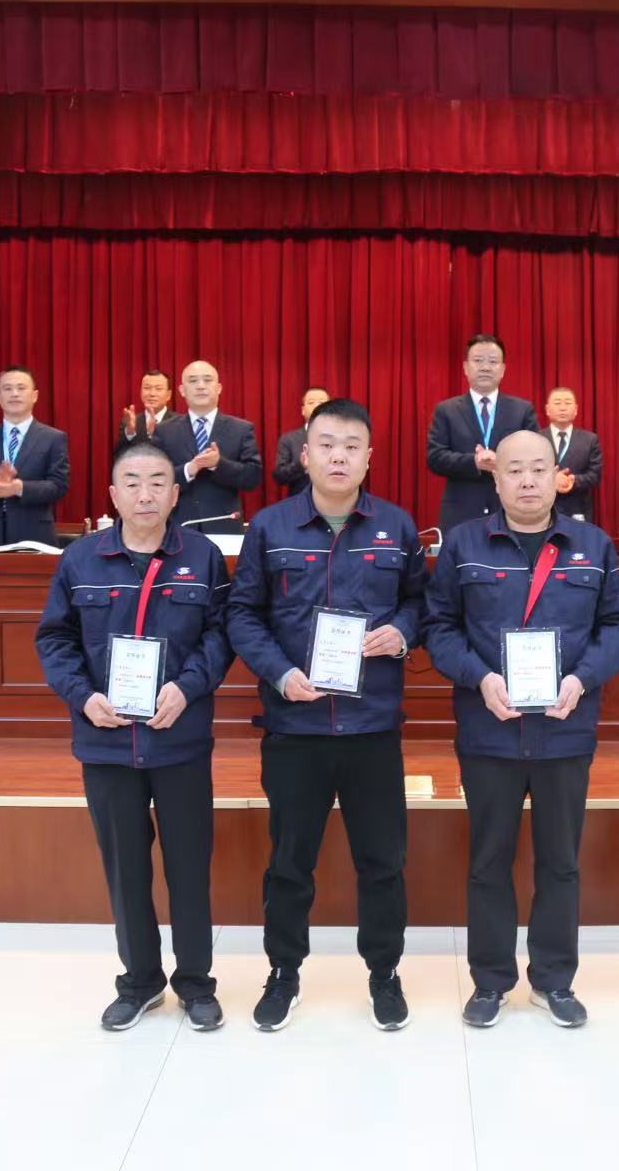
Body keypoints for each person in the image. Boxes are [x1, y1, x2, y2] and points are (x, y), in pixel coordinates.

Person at [227, 398, 427, 1032]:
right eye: (327, 444)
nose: (339, 456)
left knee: (383, 862)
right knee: (290, 863)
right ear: (305, 454)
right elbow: (242, 614)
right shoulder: (270, 527)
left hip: (372, 728)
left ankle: (384, 973)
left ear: (369, 458)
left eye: (351, 446)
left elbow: (422, 602)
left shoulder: (395, 526)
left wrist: (402, 631)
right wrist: (279, 673)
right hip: (296, 727)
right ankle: (283, 972)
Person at [424, 430, 619, 1030]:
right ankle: (490, 981)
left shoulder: (592, 545)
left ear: (558, 476)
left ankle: (554, 979)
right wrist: (480, 677)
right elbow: (439, 627)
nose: (527, 481)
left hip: (566, 729)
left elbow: (617, 626)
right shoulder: (464, 544)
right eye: (514, 470)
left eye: (539, 469)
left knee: (561, 861)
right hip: (489, 728)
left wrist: (584, 679)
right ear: (495, 479)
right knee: (488, 860)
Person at [35, 438, 235, 1033]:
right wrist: (83, 697)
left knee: (188, 867)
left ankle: (195, 982)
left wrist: (187, 688)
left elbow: (222, 635)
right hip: (106, 740)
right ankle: (140, 981)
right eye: (132, 482)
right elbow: (55, 640)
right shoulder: (80, 559)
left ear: (175, 494)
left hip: (179, 738)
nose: (145, 494)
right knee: (125, 870)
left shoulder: (203, 557)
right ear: (113, 494)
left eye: (157, 483)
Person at [425, 333, 538, 533]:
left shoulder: (522, 410)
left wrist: (501, 461)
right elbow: (435, 458)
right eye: (478, 360)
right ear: (465, 367)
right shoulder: (446, 410)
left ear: (503, 369)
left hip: (511, 512)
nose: (485, 367)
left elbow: (535, 456)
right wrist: (474, 462)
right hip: (461, 514)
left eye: (493, 361)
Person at [0, 365, 72, 546]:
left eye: (21, 388)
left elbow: (59, 485)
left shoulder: (53, 438)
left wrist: (19, 488)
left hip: (35, 537)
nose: (14, 394)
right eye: (7, 388)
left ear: (34, 396)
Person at [152, 360, 264, 529]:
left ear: (218, 388)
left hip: (224, 525)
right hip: (178, 526)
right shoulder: (164, 431)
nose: (201, 386)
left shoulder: (241, 429)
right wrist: (189, 469)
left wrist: (218, 464)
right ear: (182, 390)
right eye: (193, 381)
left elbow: (253, 478)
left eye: (207, 380)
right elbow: (155, 480)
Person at [544, 386, 604, 525]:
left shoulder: (590, 440)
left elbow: (595, 475)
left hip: (578, 510)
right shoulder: (537, 438)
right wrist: (551, 480)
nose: (563, 408)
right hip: (543, 510)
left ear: (576, 410)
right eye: (557, 403)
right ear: (547, 409)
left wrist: (572, 481)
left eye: (568, 403)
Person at [271, 386, 333, 498]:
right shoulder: (289, 440)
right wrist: (300, 465)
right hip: (299, 503)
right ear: (303, 410)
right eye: (311, 402)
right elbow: (279, 477)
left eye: (322, 402)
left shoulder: (342, 438)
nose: (317, 406)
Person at [117, 369, 177, 446]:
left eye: (158, 389)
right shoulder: (128, 423)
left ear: (169, 395)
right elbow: (120, 452)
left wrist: (153, 436)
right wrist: (129, 433)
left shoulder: (180, 423)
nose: (152, 393)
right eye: (147, 388)